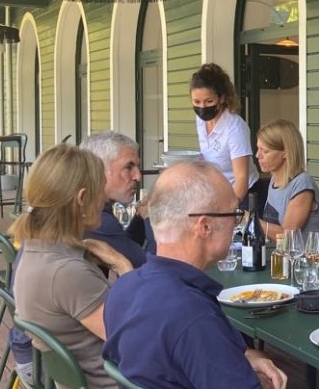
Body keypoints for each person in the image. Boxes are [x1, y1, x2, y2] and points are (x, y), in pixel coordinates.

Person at [102, 160, 288, 389]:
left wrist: (244, 356)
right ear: (204, 226)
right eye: (234, 214)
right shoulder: (193, 317)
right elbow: (194, 337)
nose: (236, 223)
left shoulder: (124, 288)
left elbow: (176, 358)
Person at [10, 144, 134, 388]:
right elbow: (132, 342)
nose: (104, 198)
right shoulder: (66, 273)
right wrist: (123, 267)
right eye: (101, 189)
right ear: (82, 198)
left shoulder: (35, 251)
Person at [80, 131, 155, 265]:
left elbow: (123, 245)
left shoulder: (88, 208)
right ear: (99, 169)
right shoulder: (97, 219)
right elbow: (150, 269)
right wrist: (151, 220)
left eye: (137, 167)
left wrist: (140, 217)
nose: (138, 176)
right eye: (129, 167)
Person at [190, 63, 259, 205]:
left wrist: (228, 209)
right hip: (217, 191)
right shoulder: (201, 120)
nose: (202, 107)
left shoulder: (235, 128)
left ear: (221, 98)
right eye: (197, 101)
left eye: (209, 101)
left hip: (243, 194)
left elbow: (241, 179)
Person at [255, 119, 319, 238]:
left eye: (265, 151)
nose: (258, 155)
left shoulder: (302, 184)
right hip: (277, 255)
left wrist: (250, 220)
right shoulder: (274, 179)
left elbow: (287, 236)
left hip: (299, 256)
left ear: (285, 152)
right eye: (258, 149)